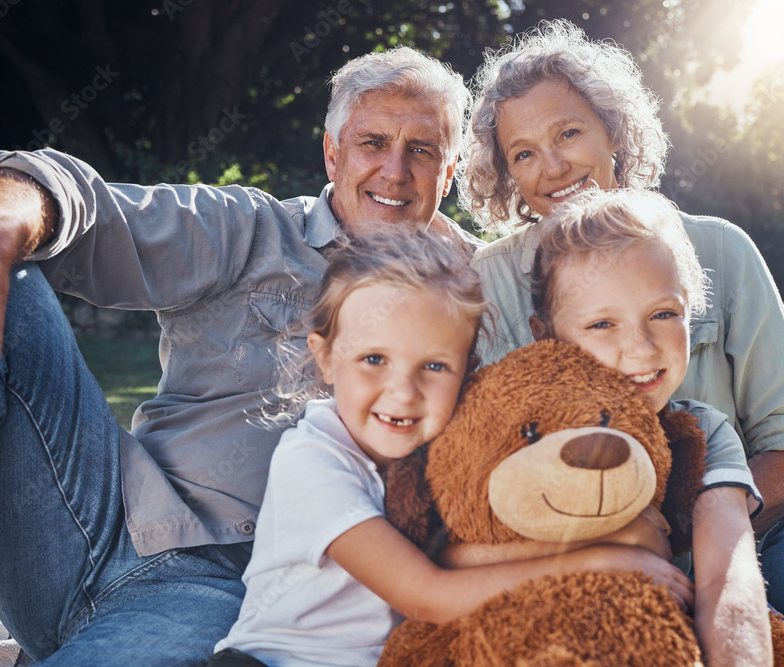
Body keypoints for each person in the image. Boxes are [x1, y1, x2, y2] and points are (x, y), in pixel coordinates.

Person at [0, 47, 480, 665]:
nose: (394, 171)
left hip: (228, 590)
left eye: (422, 149)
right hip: (90, 524)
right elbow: (75, 201)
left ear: (449, 172)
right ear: (332, 152)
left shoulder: (479, 290)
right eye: (372, 142)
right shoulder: (247, 229)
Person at [458, 19, 784, 666]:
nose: (552, 167)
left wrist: (694, 540)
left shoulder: (718, 246)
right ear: (506, 175)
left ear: (614, 130)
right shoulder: (488, 283)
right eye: (523, 153)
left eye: (568, 133)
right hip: (597, 548)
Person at [205, 231, 675, 667]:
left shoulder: (443, 451)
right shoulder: (310, 461)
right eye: (374, 359)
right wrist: (601, 556)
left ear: (468, 371)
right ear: (326, 357)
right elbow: (426, 592)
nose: (403, 392)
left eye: (433, 365)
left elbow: (462, 554)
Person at [532, 188, 771, 663]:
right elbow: (453, 562)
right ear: (548, 337)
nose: (640, 348)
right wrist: (600, 559)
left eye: (664, 314)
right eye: (603, 324)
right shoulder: (520, 429)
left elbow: (728, 578)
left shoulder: (702, 432)